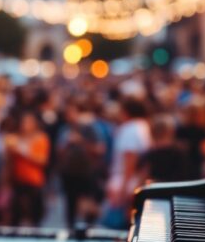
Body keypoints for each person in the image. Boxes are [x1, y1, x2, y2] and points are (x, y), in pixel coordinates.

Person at [104, 98, 151, 229]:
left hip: (125, 183)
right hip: (134, 181)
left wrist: (123, 190)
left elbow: (130, 159)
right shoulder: (143, 126)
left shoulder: (130, 129)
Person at [56, 101, 104, 229]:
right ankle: (70, 229)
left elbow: (100, 149)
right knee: (70, 204)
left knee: (87, 204)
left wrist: (81, 141)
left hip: (86, 172)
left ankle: (87, 229)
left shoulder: (89, 128)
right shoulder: (64, 130)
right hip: (69, 173)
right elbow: (58, 151)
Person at [6, 112, 49, 226]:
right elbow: (8, 162)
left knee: (35, 215)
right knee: (16, 214)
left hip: (34, 181)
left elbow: (43, 160)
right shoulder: (15, 138)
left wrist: (23, 152)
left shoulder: (41, 138)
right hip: (17, 181)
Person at [138, 115, 190, 183]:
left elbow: (143, 176)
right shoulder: (181, 151)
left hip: (157, 189)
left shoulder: (149, 154)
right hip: (175, 188)